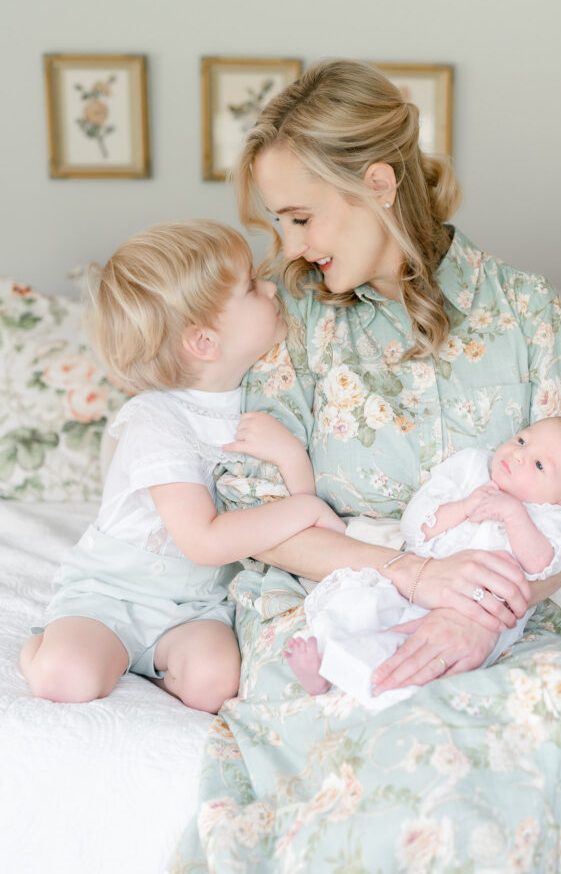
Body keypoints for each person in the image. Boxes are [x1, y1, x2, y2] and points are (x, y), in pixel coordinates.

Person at [171, 60, 561, 871]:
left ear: (379, 183)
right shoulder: (292, 323)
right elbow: (251, 514)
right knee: (380, 729)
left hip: (493, 607)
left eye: (301, 217)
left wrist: (484, 609)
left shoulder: (522, 310)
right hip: (330, 601)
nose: (290, 247)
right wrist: (411, 575)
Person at [19, 219, 344, 714]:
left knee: (216, 683)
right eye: (252, 287)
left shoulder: (265, 395)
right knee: (66, 678)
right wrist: (306, 506)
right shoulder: (157, 420)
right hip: (114, 593)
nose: (272, 287)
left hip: (197, 605)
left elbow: (294, 512)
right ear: (205, 342)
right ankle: (42, 650)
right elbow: (205, 539)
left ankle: (155, 667)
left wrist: (292, 459)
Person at [284, 416, 561, 710]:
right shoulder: (470, 468)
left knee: (423, 657)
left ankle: (368, 688)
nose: (519, 455)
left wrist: (514, 514)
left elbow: (543, 565)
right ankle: (325, 663)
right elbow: (415, 527)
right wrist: (466, 507)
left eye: (539, 465)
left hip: (475, 616)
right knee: (358, 602)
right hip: (419, 584)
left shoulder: (550, 519)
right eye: (522, 440)